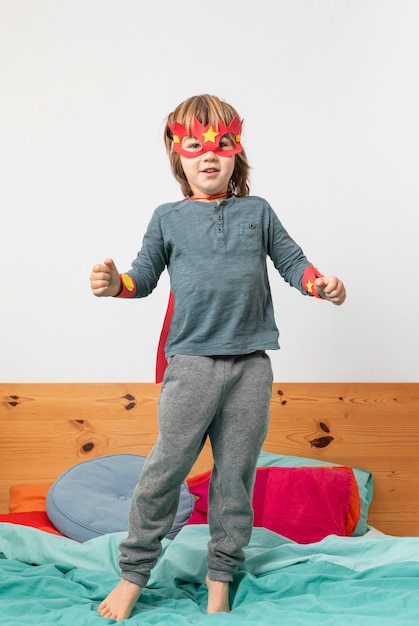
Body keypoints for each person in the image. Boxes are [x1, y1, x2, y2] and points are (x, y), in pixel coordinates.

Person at [90, 93, 346, 620]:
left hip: (251, 365)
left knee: (236, 478)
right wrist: (117, 283)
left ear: (236, 153)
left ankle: (221, 577)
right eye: (195, 146)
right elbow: (142, 277)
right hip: (190, 366)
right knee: (164, 472)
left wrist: (320, 285)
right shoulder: (167, 218)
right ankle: (133, 574)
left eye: (222, 144)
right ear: (179, 158)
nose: (209, 154)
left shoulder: (259, 211)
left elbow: (293, 262)